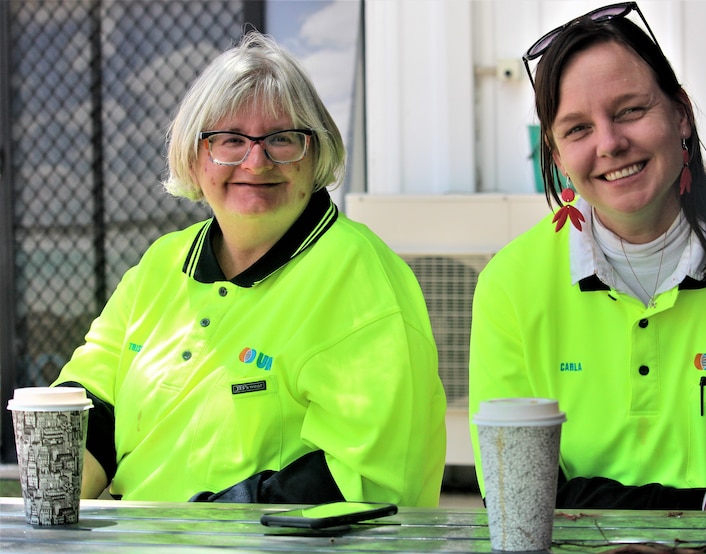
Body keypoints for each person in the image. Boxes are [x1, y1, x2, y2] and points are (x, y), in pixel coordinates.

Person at [469, 3, 706, 511]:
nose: (610, 143)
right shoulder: (511, 286)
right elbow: (517, 495)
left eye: (629, 110)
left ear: (681, 114)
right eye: (578, 129)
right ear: (556, 155)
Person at [52, 31, 447, 506]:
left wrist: (188, 535)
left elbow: (368, 476)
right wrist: (55, 506)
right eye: (230, 140)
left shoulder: (359, 274)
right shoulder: (162, 263)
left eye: (282, 139)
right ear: (195, 159)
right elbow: (90, 402)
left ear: (316, 153)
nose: (256, 161)